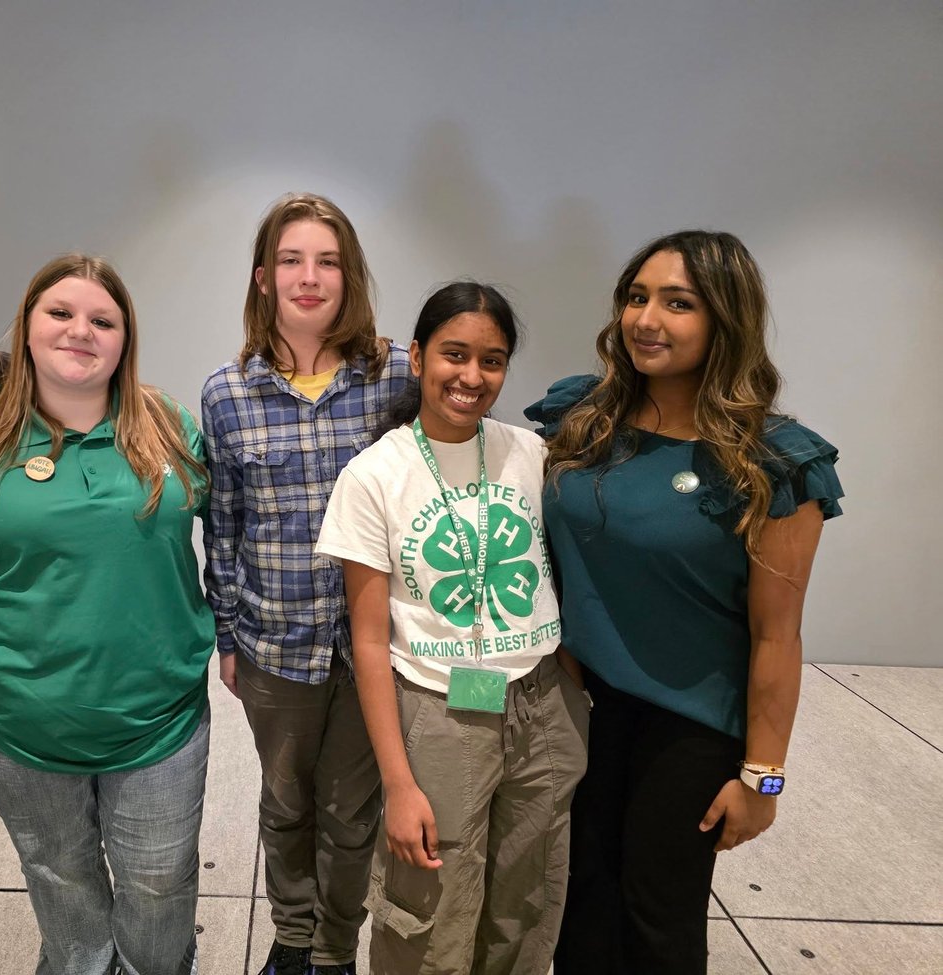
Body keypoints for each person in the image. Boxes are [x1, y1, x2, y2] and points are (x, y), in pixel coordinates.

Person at [524, 230, 843, 974]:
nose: (646, 319)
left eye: (678, 303)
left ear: (724, 319)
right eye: (637, 297)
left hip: (691, 724)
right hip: (580, 703)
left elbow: (776, 636)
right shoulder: (584, 419)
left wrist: (763, 776)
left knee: (657, 916)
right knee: (577, 902)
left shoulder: (775, 462)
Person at [0, 253, 213, 975]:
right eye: (60, 313)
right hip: (15, 719)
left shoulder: (171, 425)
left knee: (159, 890)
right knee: (63, 883)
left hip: (157, 717)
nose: (80, 331)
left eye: (103, 319)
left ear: (125, 340)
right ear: (26, 328)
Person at [316, 282, 590, 975]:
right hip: (440, 710)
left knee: (527, 902)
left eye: (491, 361)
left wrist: (570, 692)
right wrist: (399, 783)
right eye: (455, 354)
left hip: (539, 700)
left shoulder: (529, 453)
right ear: (417, 356)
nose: (472, 377)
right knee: (429, 911)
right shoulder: (374, 475)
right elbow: (370, 641)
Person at [201, 192, 412, 975]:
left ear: (348, 275)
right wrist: (226, 635)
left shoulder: (395, 375)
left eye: (327, 260)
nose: (309, 276)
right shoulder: (228, 392)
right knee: (286, 804)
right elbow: (222, 524)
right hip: (272, 643)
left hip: (374, 649)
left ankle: (334, 950)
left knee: (352, 813)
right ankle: (291, 939)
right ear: (264, 278)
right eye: (291, 260)